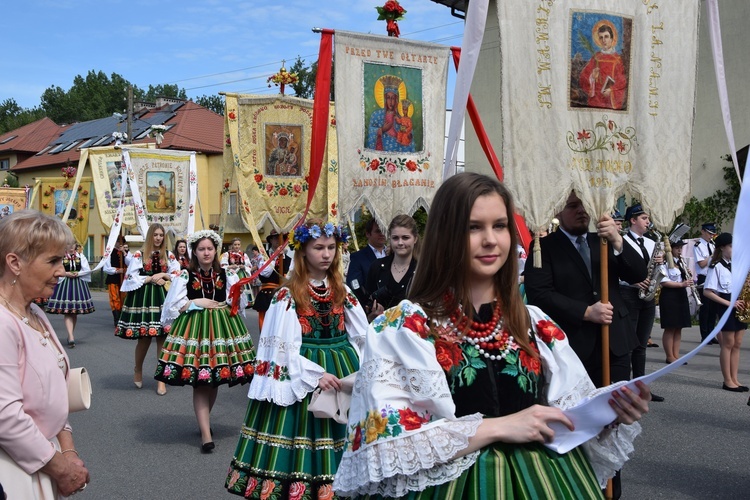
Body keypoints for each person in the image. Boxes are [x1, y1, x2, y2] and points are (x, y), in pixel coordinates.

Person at [334, 173, 650, 498]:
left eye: (499, 226)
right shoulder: (404, 327)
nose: (490, 239)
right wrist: (501, 426)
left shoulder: (534, 324)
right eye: (474, 227)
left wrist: (609, 413)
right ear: (446, 235)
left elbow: (565, 411)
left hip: (543, 480)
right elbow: (388, 441)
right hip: (451, 486)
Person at [225, 220, 367, 498]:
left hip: (343, 367)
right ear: (302, 252)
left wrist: (362, 370)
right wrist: (314, 374)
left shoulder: (343, 290)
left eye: (331, 248)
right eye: (319, 248)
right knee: (302, 437)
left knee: (346, 433)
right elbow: (282, 348)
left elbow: (361, 335)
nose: (326, 254)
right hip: (303, 370)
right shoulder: (287, 295)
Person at [0, 210, 90, 497]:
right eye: (52, 261)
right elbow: (6, 417)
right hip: (14, 470)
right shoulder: (3, 322)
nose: (61, 270)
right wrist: (64, 469)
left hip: (44, 459)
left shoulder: (35, 311)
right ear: (14, 262)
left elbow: (56, 393)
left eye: (62, 260)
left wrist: (69, 451)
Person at [156, 230, 256, 453]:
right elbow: (173, 306)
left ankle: (204, 422)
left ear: (216, 250)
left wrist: (230, 303)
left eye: (210, 248)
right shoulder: (185, 276)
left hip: (221, 328)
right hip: (195, 329)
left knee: (214, 377)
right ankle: (205, 433)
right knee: (202, 379)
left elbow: (236, 302)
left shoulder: (226, 275)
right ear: (195, 252)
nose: (206, 252)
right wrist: (196, 302)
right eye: (201, 249)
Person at [116, 223, 180, 396]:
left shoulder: (169, 255)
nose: (158, 238)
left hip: (164, 298)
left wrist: (164, 275)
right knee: (144, 338)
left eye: (161, 235)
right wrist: (150, 278)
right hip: (144, 298)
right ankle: (138, 368)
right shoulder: (140, 254)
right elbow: (130, 276)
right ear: (150, 235)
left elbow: (179, 274)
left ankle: (161, 379)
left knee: (162, 338)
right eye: (156, 234)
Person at [619, 203, 665, 401]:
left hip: (647, 295)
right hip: (629, 293)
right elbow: (615, 270)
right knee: (628, 344)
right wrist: (633, 280)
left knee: (641, 345)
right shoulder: (620, 241)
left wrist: (658, 264)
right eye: (645, 218)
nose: (648, 222)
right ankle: (625, 389)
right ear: (633, 220)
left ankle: (640, 387)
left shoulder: (650, 242)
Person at [703, 233, 748, 392]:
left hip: (740, 304)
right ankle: (727, 380)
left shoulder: (738, 265)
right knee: (728, 344)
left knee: (737, 344)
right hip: (726, 304)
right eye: (731, 246)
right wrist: (730, 304)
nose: (734, 249)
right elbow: (708, 292)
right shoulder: (716, 267)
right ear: (722, 247)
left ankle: (735, 379)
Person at [365, 214, 418, 320]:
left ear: (415, 239)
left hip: (413, 333)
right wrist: (372, 316)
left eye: (405, 238)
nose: (400, 243)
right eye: (395, 238)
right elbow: (366, 308)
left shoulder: (423, 270)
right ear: (390, 238)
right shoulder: (377, 267)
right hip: (381, 334)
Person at [45, 242, 95, 348]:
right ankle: (71, 336)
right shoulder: (61, 257)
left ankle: (70, 334)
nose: (71, 247)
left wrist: (78, 273)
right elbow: (55, 269)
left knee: (74, 312)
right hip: (65, 284)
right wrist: (66, 273)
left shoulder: (81, 256)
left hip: (78, 284)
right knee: (68, 311)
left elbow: (86, 270)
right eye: (69, 245)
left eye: (73, 245)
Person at [659, 238, 694, 364]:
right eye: (677, 248)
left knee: (679, 327)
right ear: (671, 249)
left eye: (681, 248)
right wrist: (681, 284)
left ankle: (676, 355)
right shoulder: (664, 262)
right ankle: (669, 356)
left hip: (680, 295)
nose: (679, 250)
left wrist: (687, 274)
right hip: (669, 296)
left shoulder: (681, 261)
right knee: (670, 327)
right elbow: (663, 281)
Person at [579, 22, 628, 110]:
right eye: (601, 37)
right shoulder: (596, 57)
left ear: (612, 39)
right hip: (595, 101)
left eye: (606, 36)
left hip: (610, 101)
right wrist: (592, 77)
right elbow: (583, 77)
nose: (603, 40)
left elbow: (622, 82)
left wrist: (611, 90)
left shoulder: (617, 59)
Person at [252, 230, 292, 329]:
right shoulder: (264, 257)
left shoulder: (289, 260)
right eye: (275, 238)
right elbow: (264, 274)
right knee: (266, 326)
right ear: (271, 241)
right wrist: (275, 257)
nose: (279, 240)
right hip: (267, 295)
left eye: (281, 238)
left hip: (284, 295)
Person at [366, 75, 415, 153]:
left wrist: (407, 134)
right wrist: (382, 129)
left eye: (393, 98)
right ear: (385, 99)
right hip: (382, 147)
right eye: (388, 98)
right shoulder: (376, 115)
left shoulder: (401, 116)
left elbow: (409, 132)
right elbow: (371, 131)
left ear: (397, 99)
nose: (391, 101)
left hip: (399, 148)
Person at [346, 218, 387, 304]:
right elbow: (353, 284)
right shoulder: (358, 257)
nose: (382, 234)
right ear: (368, 234)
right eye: (378, 231)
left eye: (384, 230)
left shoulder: (394, 254)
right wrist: (368, 304)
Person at [695, 222, 719, 343]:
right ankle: (704, 335)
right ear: (703, 231)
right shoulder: (698, 246)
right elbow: (702, 264)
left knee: (713, 309)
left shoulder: (713, 245)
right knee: (705, 308)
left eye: (712, 234)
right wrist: (712, 255)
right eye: (709, 233)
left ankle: (711, 333)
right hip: (703, 278)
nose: (711, 236)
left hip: (713, 277)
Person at [104, 236, 129, 326]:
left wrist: (124, 252)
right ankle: (116, 318)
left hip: (124, 280)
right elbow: (106, 268)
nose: (119, 243)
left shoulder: (126, 252)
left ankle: (123, 318)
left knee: (124, 298)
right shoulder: (109, 253)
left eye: (121, 242)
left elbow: (131, 262)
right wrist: (118, 270)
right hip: (113, 279)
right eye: (118, 241)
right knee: (115, 299)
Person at [221, 238, 253, 303]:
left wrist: (244, 266)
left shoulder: (244, 255)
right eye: (235, 244)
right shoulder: (227, 254)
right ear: (232, 245)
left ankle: (243, 304)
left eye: (238, 244)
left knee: (242, 291)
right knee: (232, 289)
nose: (237, 246)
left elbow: (249, 266)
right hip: (231, 275)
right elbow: (222, 265)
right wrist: (230, 266)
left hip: (241, 275)